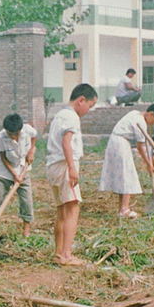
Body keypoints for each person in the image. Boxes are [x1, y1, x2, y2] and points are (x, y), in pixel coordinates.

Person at [46, 83, 98, 266]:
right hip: (64, 165)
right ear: (81, 100)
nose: (88, 111)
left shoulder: (59, 115)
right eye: (89, 106)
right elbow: (66, 142)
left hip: (52, 165)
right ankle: (67, 254)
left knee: (62, 211)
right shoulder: (71, 117)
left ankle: (58, 253)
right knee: (73, 209)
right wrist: (72, 168)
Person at [99, 101, 154, 218]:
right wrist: (148, 163)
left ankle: (121, 208)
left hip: (116, 142)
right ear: (151, 114)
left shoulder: (135, 113)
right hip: (120, 144)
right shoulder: (141, 122)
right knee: (127, 175)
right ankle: (125, 209)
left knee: (123, 176)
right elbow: (140, 147)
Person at [0, 113, 37, 238]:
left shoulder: (27, 130)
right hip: (3, 171)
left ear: (20, 130)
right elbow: (2, 157)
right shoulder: (1, 136)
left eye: (15, 134)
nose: (12, 137)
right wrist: (14, 174)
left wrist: (31, 151)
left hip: (23, 168)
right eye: (9, 134)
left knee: (27, 201)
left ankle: (26, 234)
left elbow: (34, 137)